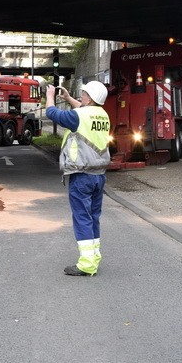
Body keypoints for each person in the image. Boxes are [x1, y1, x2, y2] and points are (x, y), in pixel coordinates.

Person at [45, 80, 111, 276]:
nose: (81, 96)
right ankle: (94, 257)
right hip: (99, 175)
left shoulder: (79, 116)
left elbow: (52, 113)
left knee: (82, 218)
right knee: (93, 217)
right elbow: (83, 111)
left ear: (90, 98)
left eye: (83, 94)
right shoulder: (103, 115)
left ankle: (86, 265)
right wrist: (68, 98)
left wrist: (50, 96)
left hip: (81, 175)